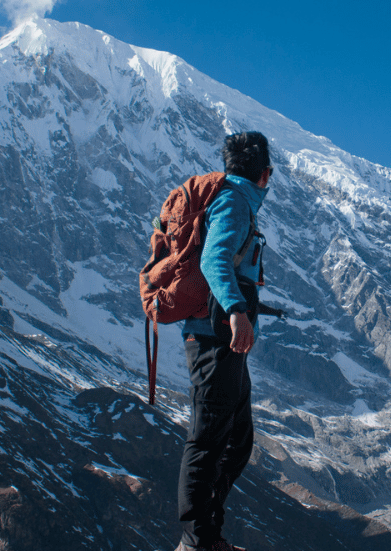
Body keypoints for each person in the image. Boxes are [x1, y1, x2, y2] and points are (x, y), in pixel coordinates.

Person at [175, 132, 273, 551]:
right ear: (265, 174)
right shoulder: (233, 202)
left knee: (237, 438)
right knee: (209, 437)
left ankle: (208, 533)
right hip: (215, 339)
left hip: (223, 341)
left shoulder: (235, 199)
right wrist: (236, 310)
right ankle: (197, 541)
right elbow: (215, 258)